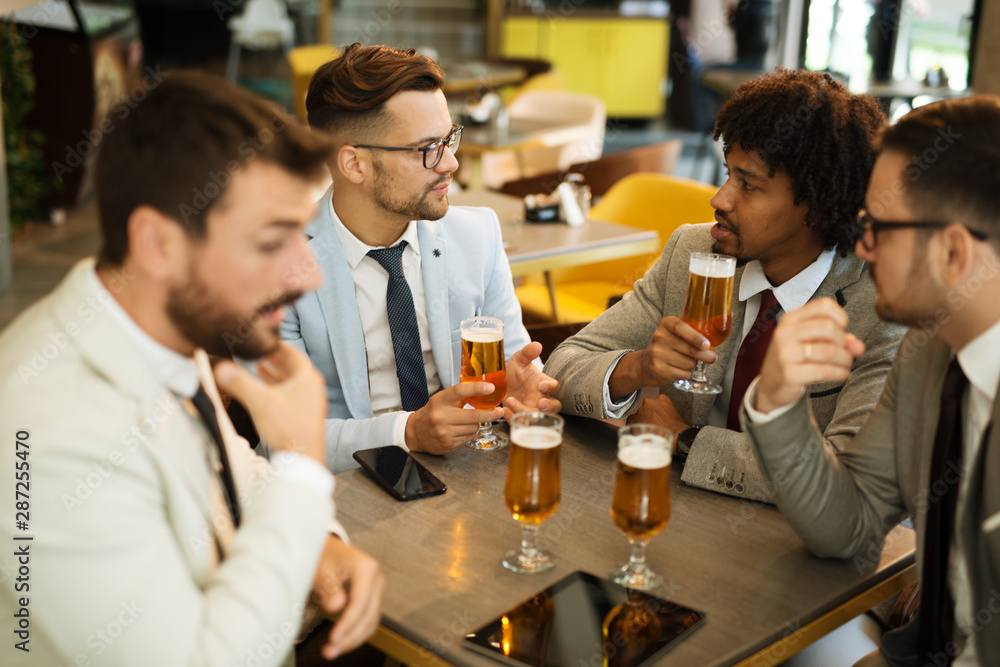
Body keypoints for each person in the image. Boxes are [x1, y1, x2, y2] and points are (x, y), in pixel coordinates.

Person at [0, 72, 383, 665]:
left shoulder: (162, 329)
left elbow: (222, 473)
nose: (308, 276)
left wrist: (319, 546)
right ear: (157, 244)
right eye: (271, 241)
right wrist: (303, 472)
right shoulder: (48, 433)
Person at [544, 69, 906, 504]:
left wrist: (686, 440)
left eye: (748, 185)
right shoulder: (695, 251)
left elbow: (842, 485)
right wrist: (638, 369)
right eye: (728, 174)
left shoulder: (882, 305)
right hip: (677, 516)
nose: (719, 198)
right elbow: (560, 369)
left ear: (816, 203)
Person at [743, 95, 1000, 667]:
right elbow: (847, 526)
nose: (861, 246)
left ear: (954, 252)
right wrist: (779, 399)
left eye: (878, 226)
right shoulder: (929, 349)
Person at [285, 43, 560, 473]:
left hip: (467, 479)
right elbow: (286, 440)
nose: (450, 162)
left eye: (449, 138)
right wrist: (408, 432)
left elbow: (518, 364)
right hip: (345, 496)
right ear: (354, 164)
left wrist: (522, 392)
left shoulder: (477, 236)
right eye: (426, 148)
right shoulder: (276, 269)